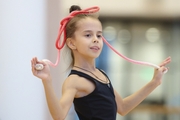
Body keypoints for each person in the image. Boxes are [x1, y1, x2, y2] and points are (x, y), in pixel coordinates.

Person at [31, 5, 171, 120]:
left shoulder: (101, 74)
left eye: (99, 35)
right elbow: (59, 115)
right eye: (88, 35)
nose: (96, 39)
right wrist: (47, 81)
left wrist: (154, 82)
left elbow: (122, 107)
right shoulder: (74, 80)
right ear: (71, 43)